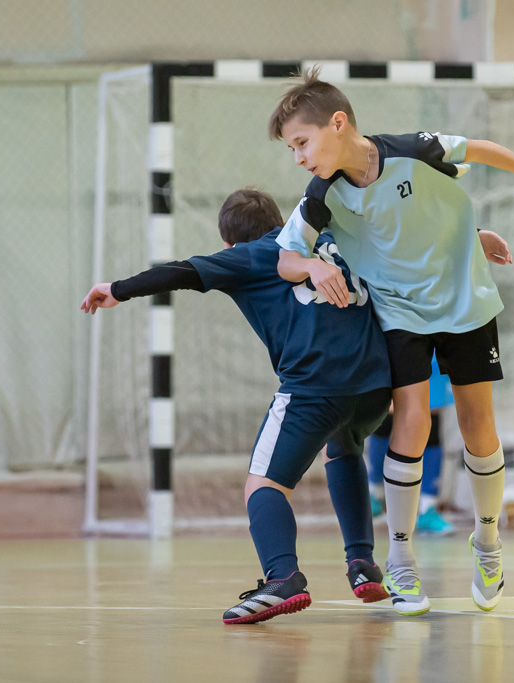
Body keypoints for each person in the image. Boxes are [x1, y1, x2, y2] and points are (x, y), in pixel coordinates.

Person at [268, 67, 514, 616]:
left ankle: (487, 541)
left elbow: (478, 150)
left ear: (338, 123)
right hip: (401, 311)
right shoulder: (322, 195)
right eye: (291, 149)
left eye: (302, 142)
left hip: (464, 296)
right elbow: (285, 259)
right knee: (413, 420)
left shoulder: (412, 150)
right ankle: (400, 558)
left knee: (477, 423)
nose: (299, 157)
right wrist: (311, 266)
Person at [80, 188, 393, 625]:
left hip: (315, 387)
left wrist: (117, 289)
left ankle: (282, 577)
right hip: (376, 385)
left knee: (264, 484)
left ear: (229, 242)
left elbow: (180, 271)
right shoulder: (328, 240)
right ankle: (362, 565)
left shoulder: (250, 255)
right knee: (343, 448)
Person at [368, 354, 458, 536]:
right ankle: (374, 494)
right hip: (394, 342)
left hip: (433, 345)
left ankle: (427, 509)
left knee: (431, 412)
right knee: (387, 407)